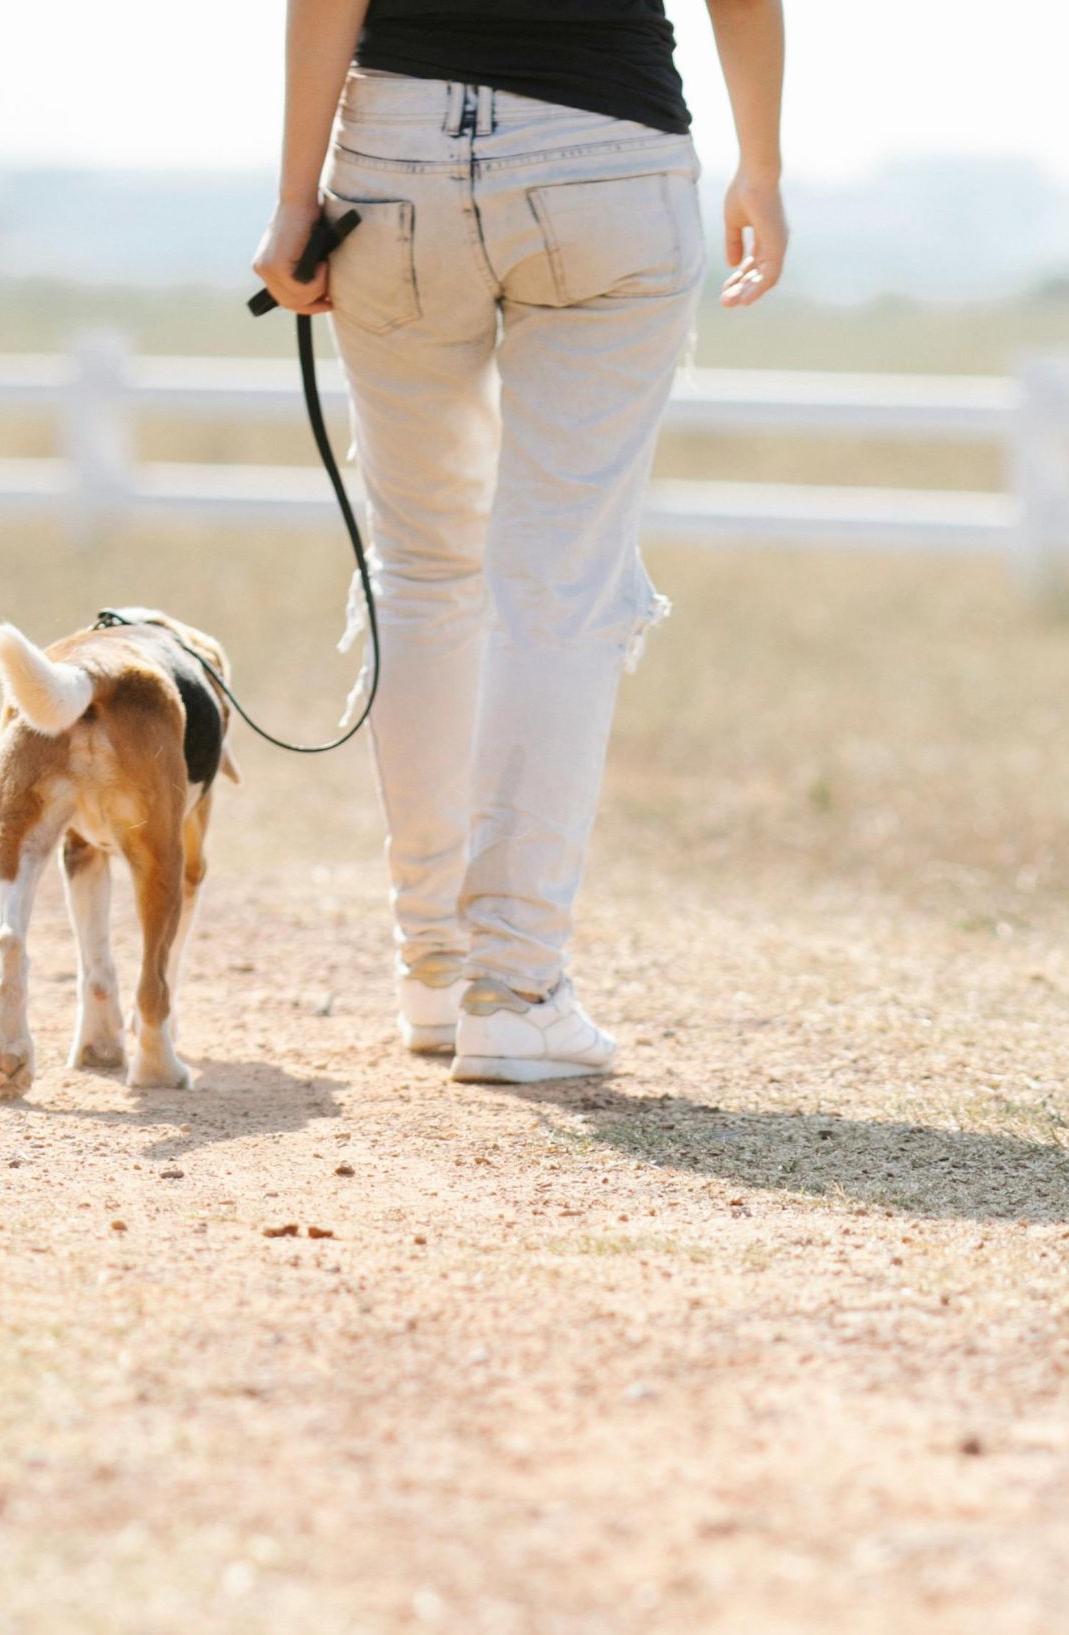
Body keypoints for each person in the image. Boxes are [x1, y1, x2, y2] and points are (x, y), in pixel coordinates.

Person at [253, 0, 787, 1083]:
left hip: (392, 154)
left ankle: (434, 969)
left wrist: (289, 200)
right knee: (560, 582)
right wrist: (761, 171)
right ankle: (516, 986)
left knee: (419, 568)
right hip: (605, 156)